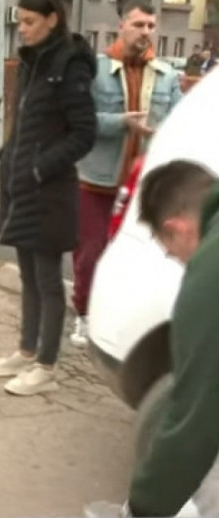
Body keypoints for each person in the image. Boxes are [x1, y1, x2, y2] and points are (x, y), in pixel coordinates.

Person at [0, 0, 97, 396]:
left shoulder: (70, 65)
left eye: (30, 22)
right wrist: (9, 153)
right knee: (28, 276)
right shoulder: (33, 62)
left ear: (53, 19)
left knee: (49, 282)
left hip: (49, 191)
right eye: (20, 21)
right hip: (21, 185)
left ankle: (46, 365)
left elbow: (85, 133)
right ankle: (26, 352)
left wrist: (39, 166)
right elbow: (28, 121)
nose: (23, 30)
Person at [69, 0, 183, 348]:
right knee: (90, 252)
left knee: (138, 256)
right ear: (122, 26)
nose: (145, 32)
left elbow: (178, 121)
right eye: (138, 24)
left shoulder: (165, 76)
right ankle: (84, 315)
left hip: (143, 185)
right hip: (96, 181)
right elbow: (79, 120)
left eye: (151, 26)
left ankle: (121, 318)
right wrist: (122, 122)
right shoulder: (95, 70)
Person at [112, 160, 219, 517]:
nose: (178, 261)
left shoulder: (210, 271)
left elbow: (196, 415)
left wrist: (144, 506)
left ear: (176, 228)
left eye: (171, 252)